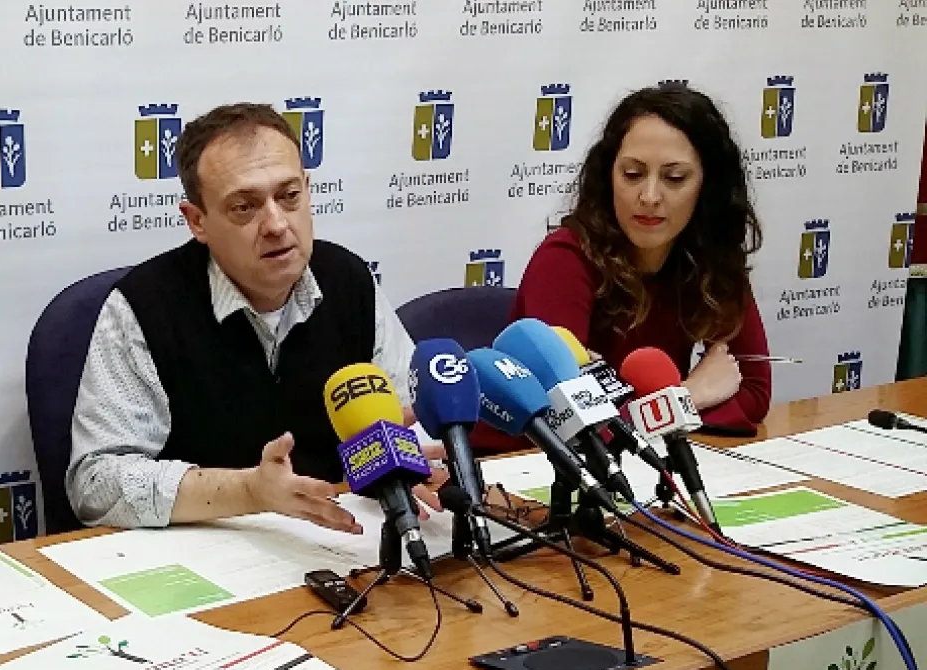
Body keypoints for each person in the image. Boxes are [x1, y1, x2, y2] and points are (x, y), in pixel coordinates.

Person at [66, 102, 443, 533]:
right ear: (197, 221)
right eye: (245, 207)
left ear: (307, 190)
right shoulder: (145, 306)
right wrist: (248, 491)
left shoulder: (349, 281)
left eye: (289, 196)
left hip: (343, 539)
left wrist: (410, 462)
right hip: (208, 550)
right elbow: (95, 484)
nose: (276, 224)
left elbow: (410, 418)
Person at [508, 82, 771, 439]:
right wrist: (688, 397)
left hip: (647, 459)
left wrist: (660, 410)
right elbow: (572, 423)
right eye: (632, 174)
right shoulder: (565, 260)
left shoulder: (711, 257)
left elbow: (753, 393)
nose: (649, 196)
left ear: (707, 186)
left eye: (674, 178)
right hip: (531, 463)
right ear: (609, 175)